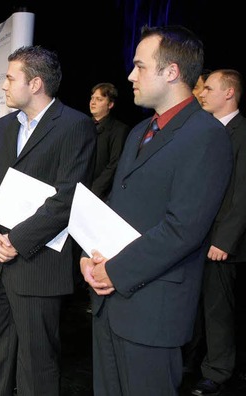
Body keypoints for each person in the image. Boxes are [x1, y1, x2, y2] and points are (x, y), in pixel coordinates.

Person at [80, 25, 233, 395]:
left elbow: (184, 229)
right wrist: (90, 256)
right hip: (109, 303)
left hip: (153, 313)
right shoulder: (140, 132)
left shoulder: (206, 135)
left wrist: (113, 270)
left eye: (140, 66)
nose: (130, 75)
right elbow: (117, 211)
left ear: (171, 72)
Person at [0, 45, 96, 396]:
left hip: (38, 262)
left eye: (11, 78)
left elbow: (67, 199)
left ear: (36, 83)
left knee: (37, 363)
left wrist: (15, 240)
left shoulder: (75, 126)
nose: (4, 85)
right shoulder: (3, 125)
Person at [189, 69, 246, 396]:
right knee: (195, 305)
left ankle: (218, 371)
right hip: (196, 236)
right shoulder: (207, 130)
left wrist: (224, 240)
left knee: (217, 310)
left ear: (229, 93)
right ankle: (193, 359)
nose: (202, 93)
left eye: (209, 88)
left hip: (220, 244)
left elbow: (241, 193)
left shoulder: (241, 132)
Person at [88, 82, 130, 200]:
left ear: (110, 104)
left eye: (99, 99)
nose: (93, 102)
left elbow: (115, 164)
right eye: (92, 98)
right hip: (78, 187)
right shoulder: (83, 125)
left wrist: (95, 190)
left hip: (100, 194)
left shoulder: (119, 130)